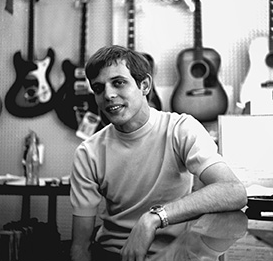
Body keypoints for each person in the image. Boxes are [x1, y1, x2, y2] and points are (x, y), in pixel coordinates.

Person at [70, 45, 247, 261]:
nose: (108, 95)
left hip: (176, 255)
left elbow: (233, 190)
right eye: (98, 88)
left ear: (144, 85)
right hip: (113, 256)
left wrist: (154, 218)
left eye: (118, 83)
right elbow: (81, 245)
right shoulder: (88, 152)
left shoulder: (181, 128)